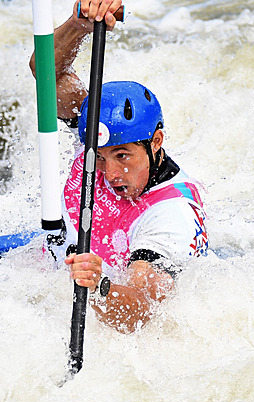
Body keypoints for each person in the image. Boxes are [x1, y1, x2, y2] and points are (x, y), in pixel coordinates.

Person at [29, 0, 208, 334]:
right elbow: (46, 73)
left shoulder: (171, 217)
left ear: (156, 142)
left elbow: (141, 312)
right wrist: (79, 24)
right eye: (100, 157)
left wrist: (99, 286)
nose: (110, 174)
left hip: (102, 313)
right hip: (42, 276)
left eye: (123, 156)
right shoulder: (97, 130)